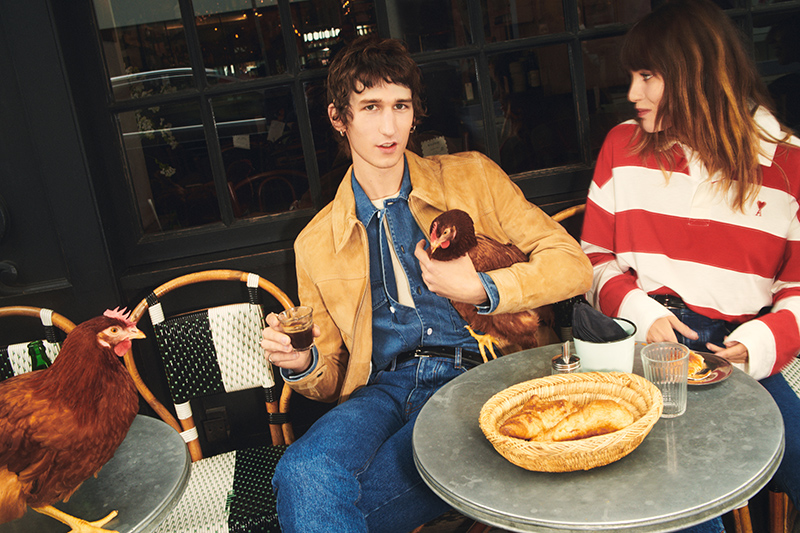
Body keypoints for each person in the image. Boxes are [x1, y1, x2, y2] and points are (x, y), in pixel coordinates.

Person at [261, 34, 592, 533]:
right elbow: (329, 378)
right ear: (338, 118)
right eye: (370, 107)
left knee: (336, 508)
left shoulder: (473, 178)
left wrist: (484, 289)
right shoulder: (314, 243)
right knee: (302, 472)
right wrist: (302, 362)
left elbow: (573, 265)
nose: (389, 127)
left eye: (401, 106)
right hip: (385, 390)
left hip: (480, 376)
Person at [581, 0, 800, 529]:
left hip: (742, 352)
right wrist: (639, 310)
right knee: (683, 502)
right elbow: (591, 258)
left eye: (647, 76)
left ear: (694, 73)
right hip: (650, 348)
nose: (632, 93)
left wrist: (761, 343)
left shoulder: (789, 163)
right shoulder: (622, 146)